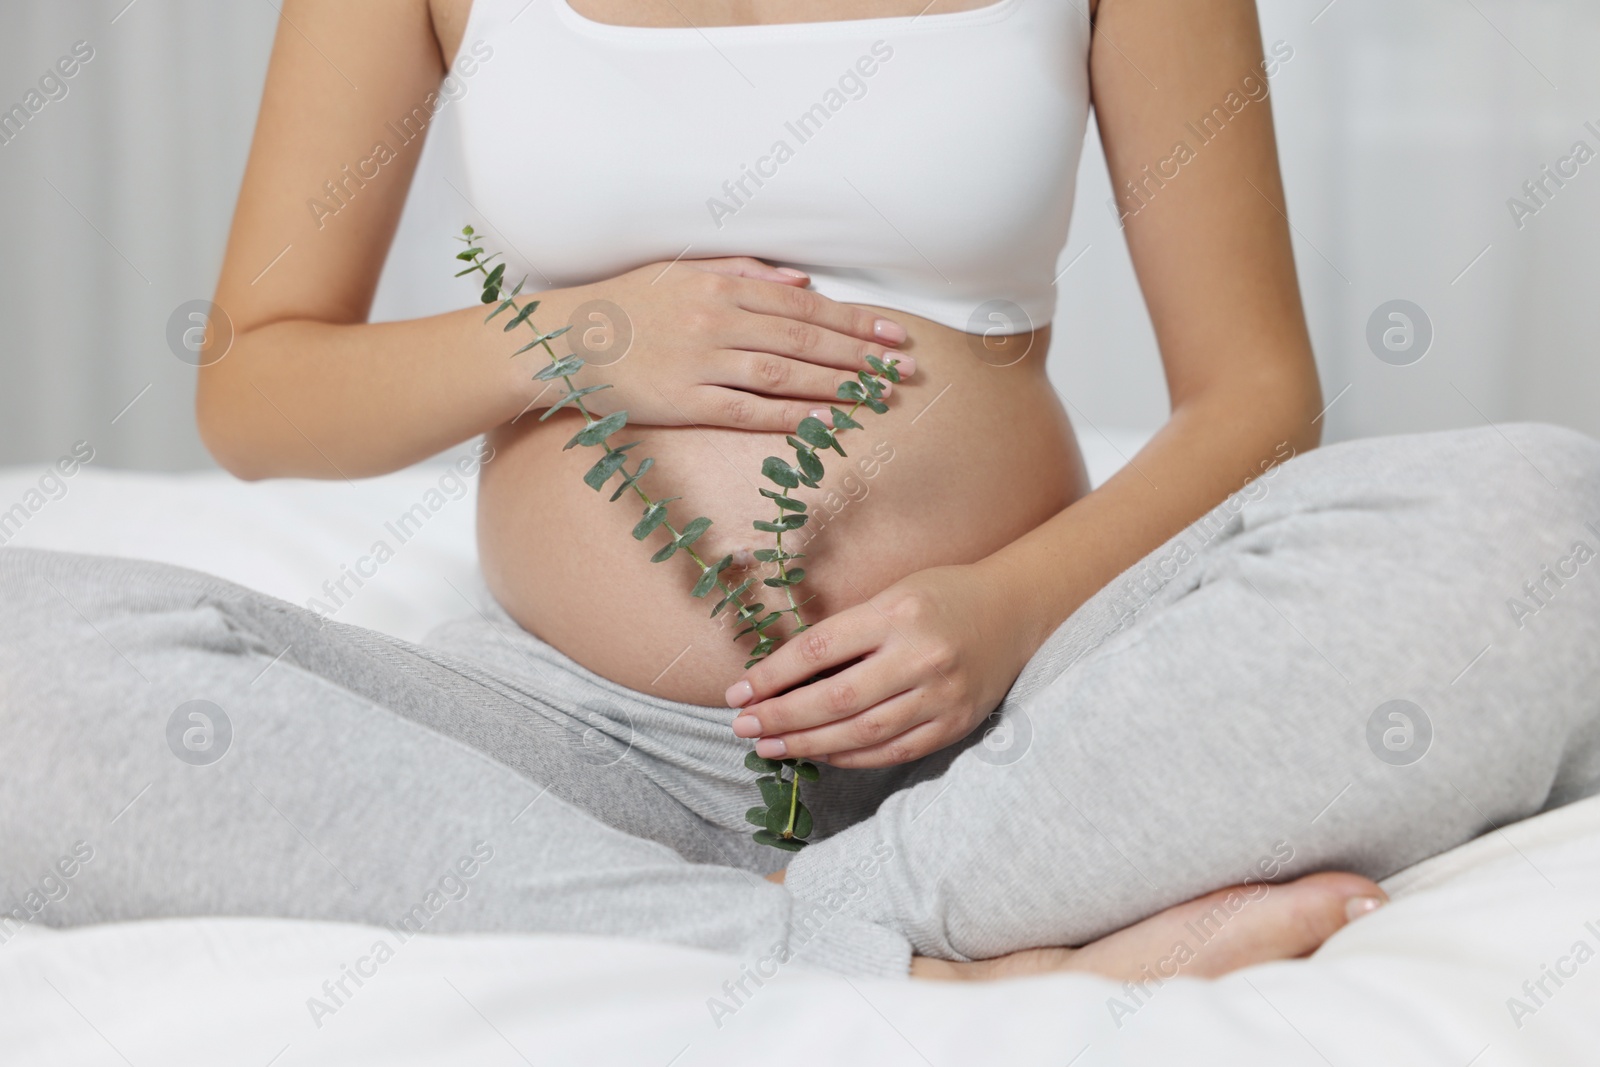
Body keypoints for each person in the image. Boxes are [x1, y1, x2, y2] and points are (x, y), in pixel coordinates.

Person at [4, 0, 1599, 984]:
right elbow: (256, 389)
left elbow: (1258, 399)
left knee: (1546, 521)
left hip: (1040, 725)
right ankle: (877, 946)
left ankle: (795, 909)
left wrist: (1007, 609)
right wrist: (573, 338)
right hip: (565, 751)